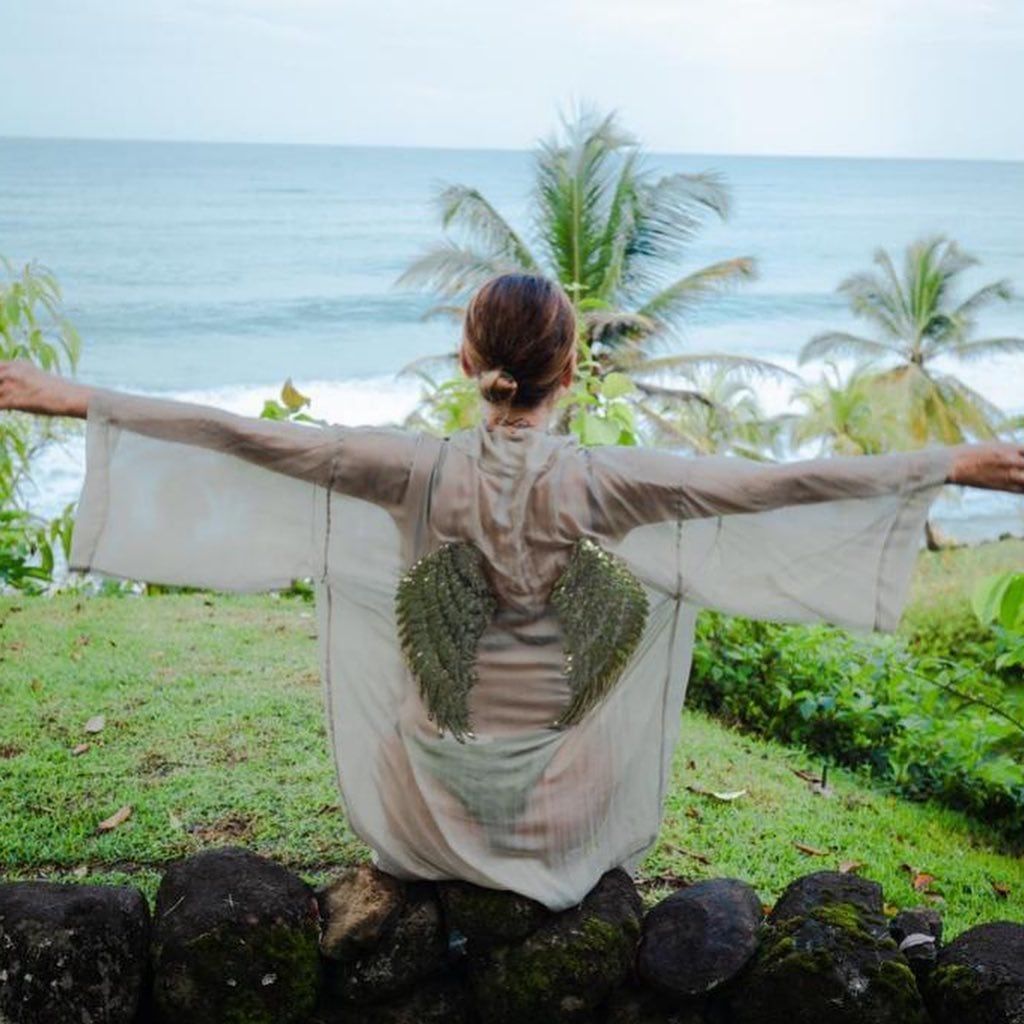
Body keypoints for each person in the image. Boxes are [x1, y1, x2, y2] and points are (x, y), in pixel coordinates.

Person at [1, 272, 1022, 911]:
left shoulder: (406, 467)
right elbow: (776, 484)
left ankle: (418, 883)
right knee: (626, 647)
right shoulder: (608, 482)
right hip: (558, 810)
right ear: (570, 367)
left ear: (467, 361)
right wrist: (950, 463)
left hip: (422, 795)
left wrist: (74, 399)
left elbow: (246, 435)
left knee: (404, 649)